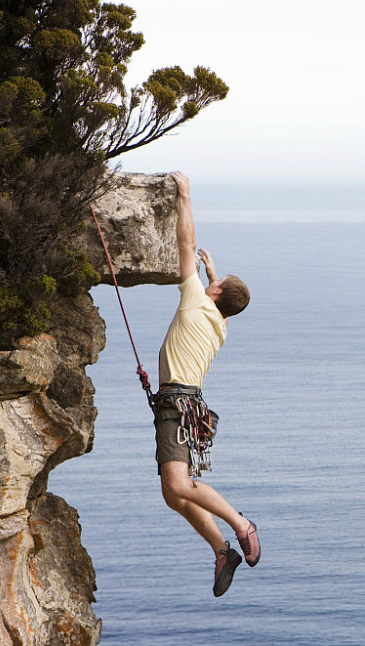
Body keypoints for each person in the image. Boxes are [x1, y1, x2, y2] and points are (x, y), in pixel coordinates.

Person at [151, 170, 260, 597]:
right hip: (182, 405)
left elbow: (185, 245)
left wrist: (186, 195)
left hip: (178, 405)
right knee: (173, 496)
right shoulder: (220, 324)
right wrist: (215, 272)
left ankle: (241, 524)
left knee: (179, 487)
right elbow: (225, 299)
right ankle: (222, 551)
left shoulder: (198, 300)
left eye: (212, 282)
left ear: (212, 291)